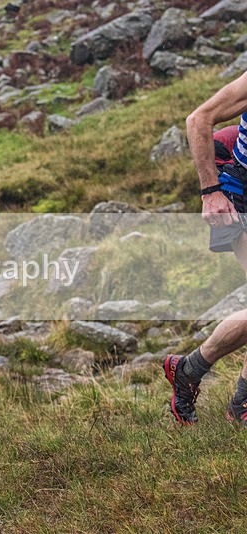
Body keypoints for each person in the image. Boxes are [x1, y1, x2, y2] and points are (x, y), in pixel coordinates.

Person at [165, 71, 247, 425]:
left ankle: (189, 369)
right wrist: (209, 192)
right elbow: (199, 119)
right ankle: (241, 407)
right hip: (237, 194)